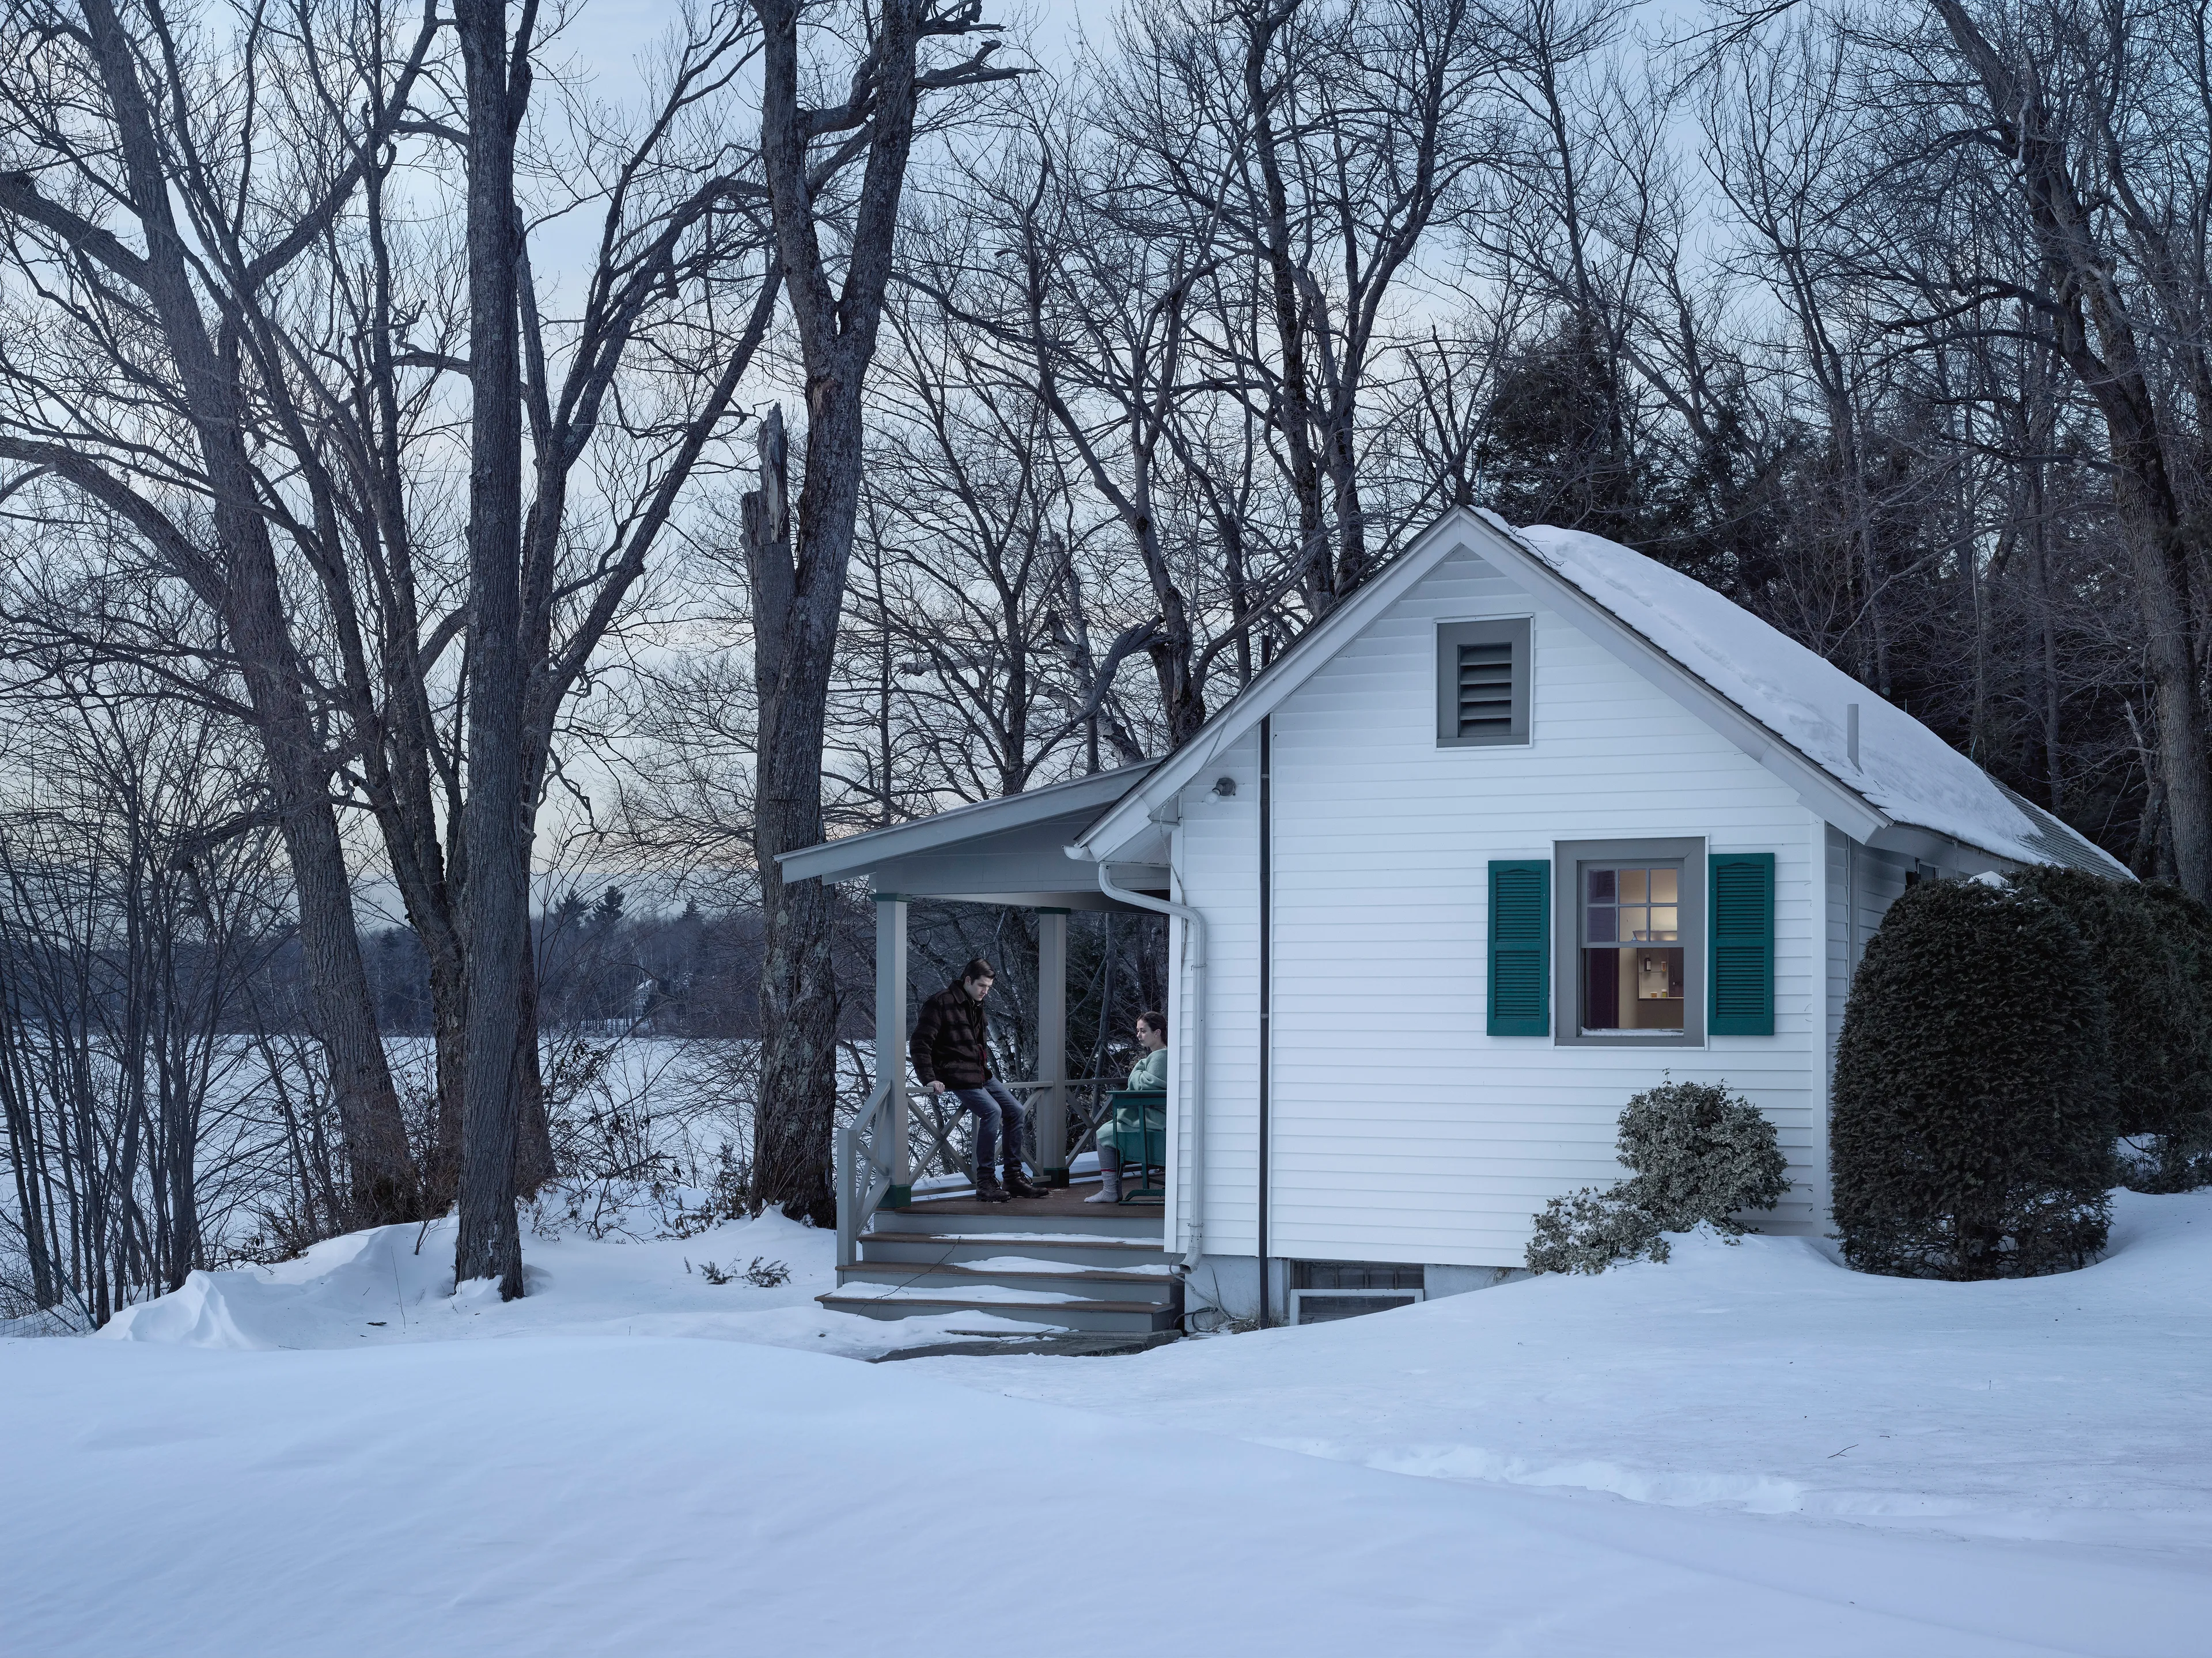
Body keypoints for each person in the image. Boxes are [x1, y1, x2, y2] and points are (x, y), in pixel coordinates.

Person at [908, 957, 1046, 1203]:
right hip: (954, 1074)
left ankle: (1013, 1177)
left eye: (989, 988)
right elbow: (920, 1043)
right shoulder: (940, 1002)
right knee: (992, 1111)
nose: (985, 991)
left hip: (980, 1073)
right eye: (982, 986)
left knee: (1015, 1110)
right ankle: (985, 1182)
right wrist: (929, 1078)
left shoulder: (976, 1005)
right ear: (968, 980)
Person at [1088, 1009, 1166, 1204]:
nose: (1139, 1035)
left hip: (1157, 1119)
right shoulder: (1161, 1055)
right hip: (1157, 1115)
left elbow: (1147, 1087)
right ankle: (1110, 1189)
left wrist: (1139, 1067)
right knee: (1107, 1130)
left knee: (1105, 1133)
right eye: (1138, 1031)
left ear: (1157, 1033)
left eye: (1143, 1031)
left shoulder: (1160, 1056)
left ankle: (1110, 1190)